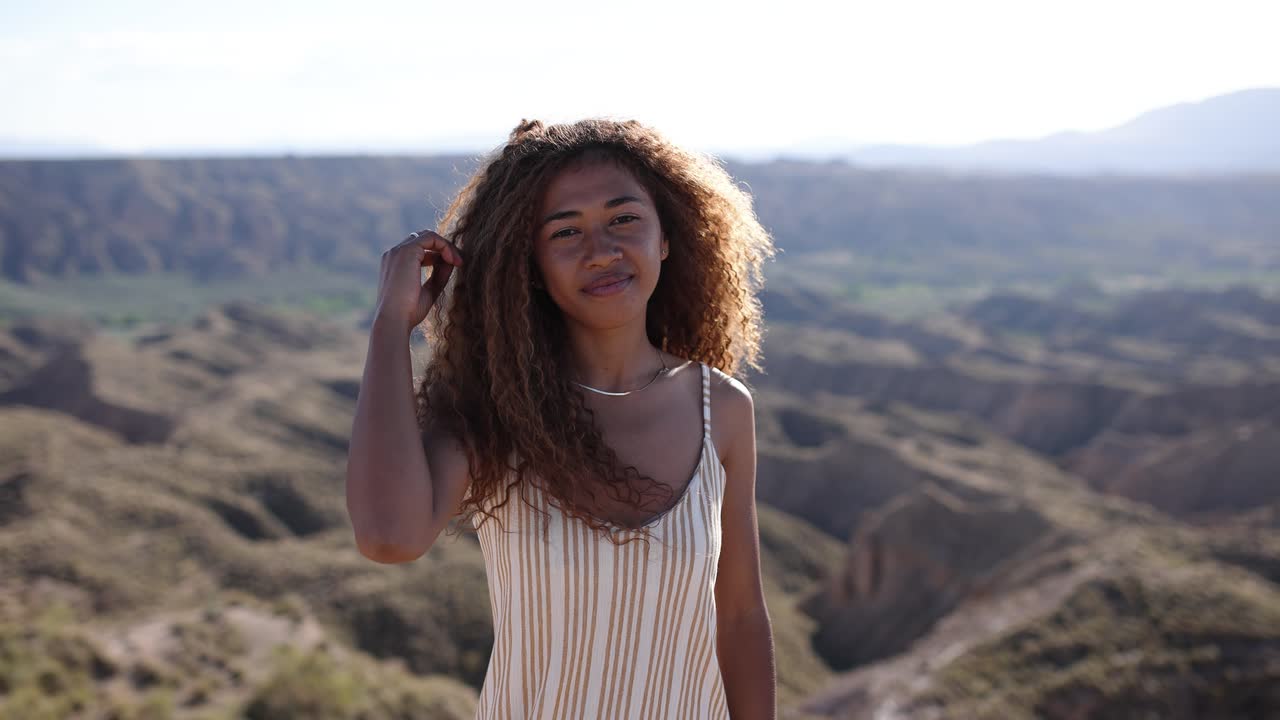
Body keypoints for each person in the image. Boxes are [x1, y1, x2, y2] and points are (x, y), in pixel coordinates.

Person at [346, 117, 777, 719]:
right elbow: (389, 537)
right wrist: (390, 326)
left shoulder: (722, 408)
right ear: (533, 266)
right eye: (565, 232)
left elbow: (738, 618)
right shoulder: (493, 412)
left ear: (667, 238)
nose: (601, 252)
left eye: (624, 219)